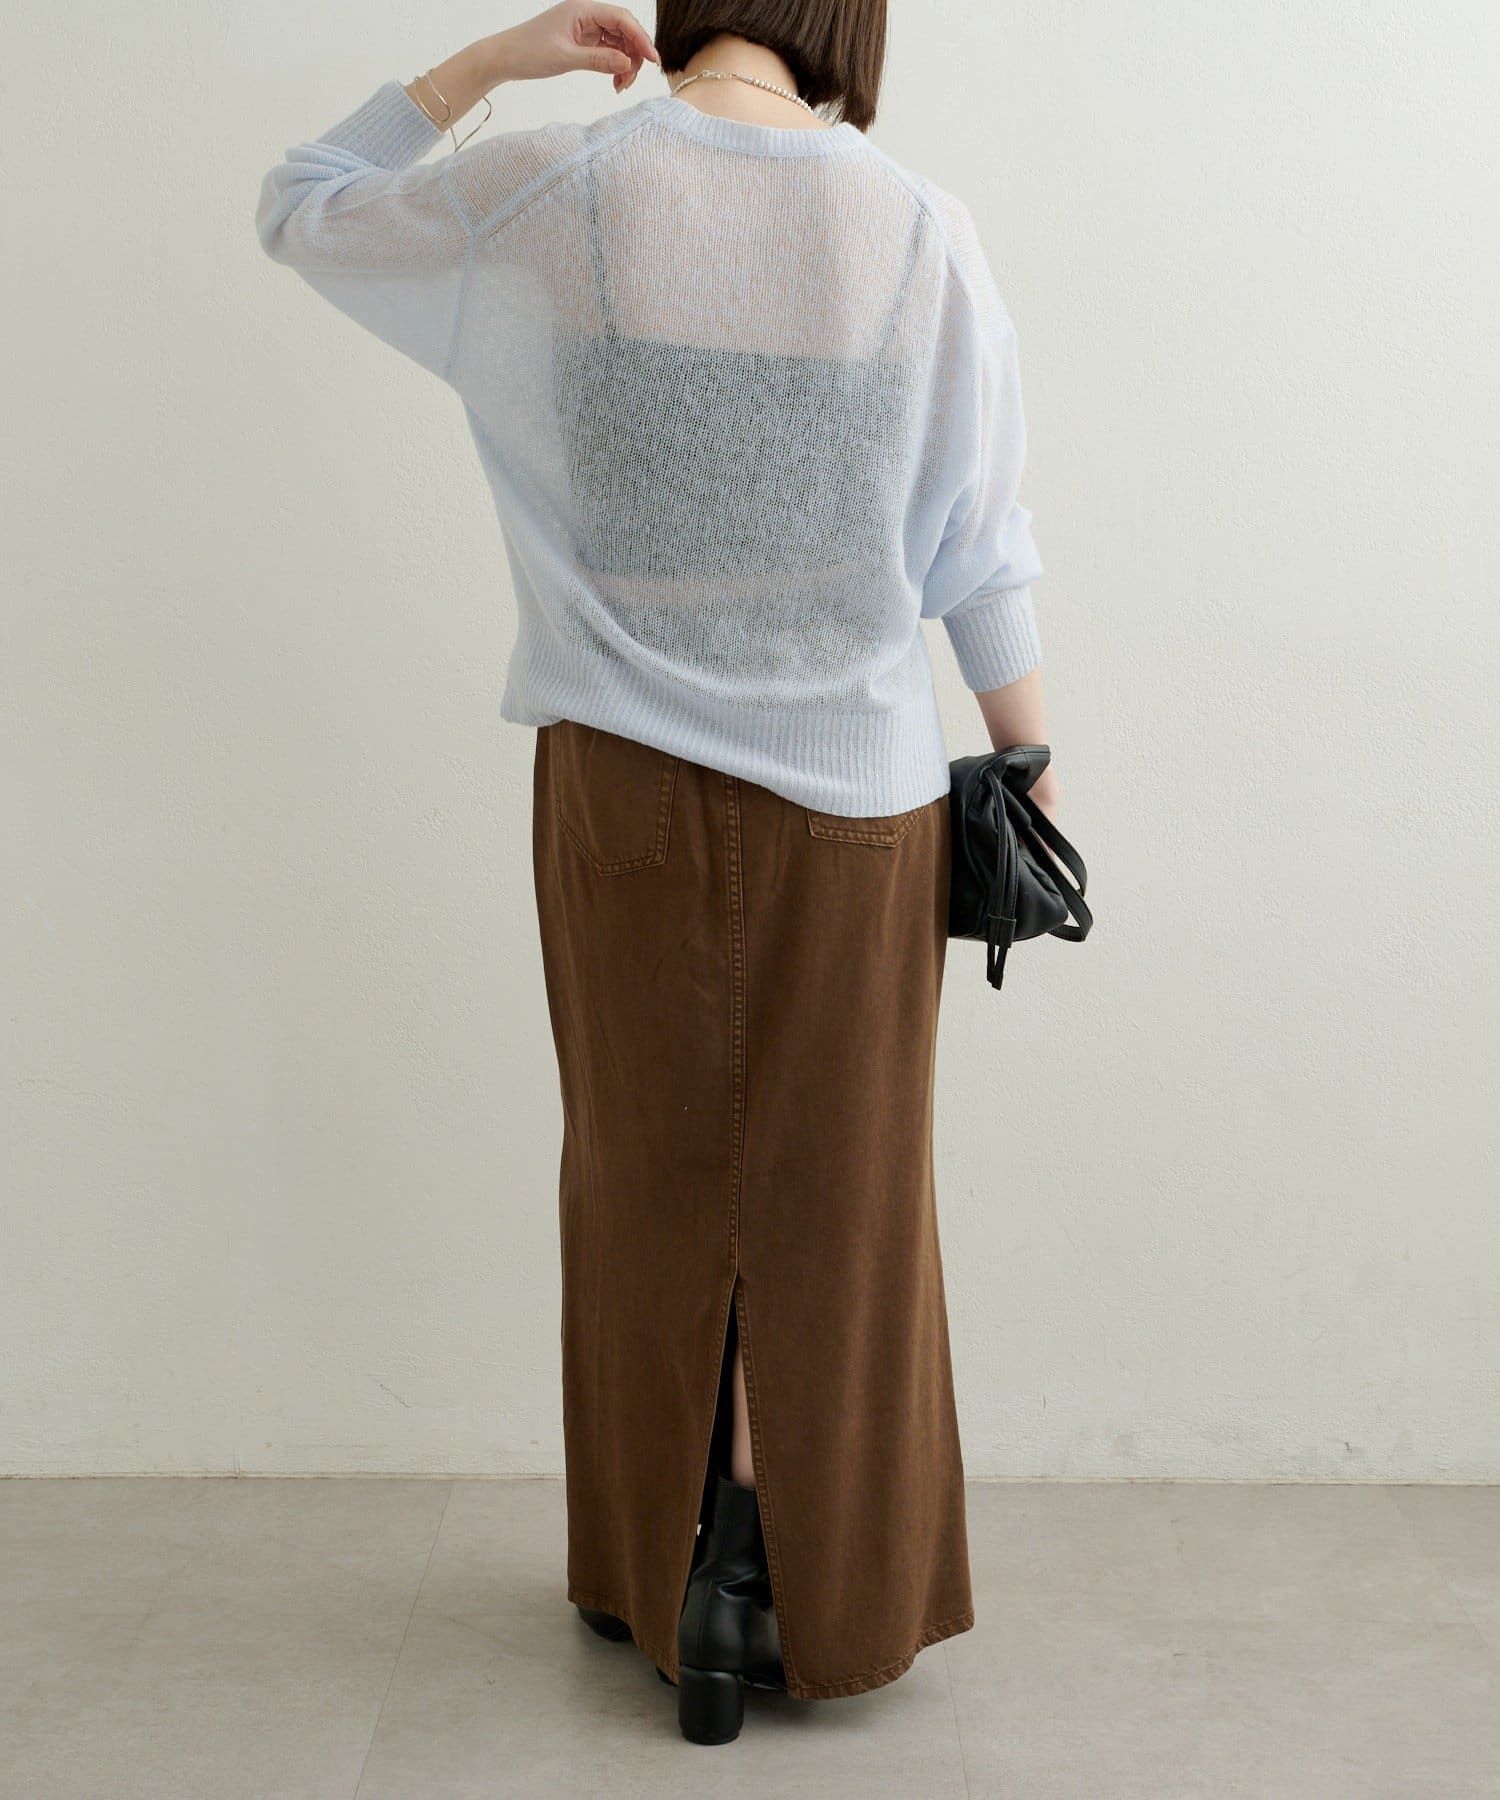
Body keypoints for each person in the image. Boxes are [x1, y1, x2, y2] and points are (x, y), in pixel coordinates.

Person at [256, 0, 1059, 1746]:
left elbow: (302, 202)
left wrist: (488, 68)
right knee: (838, 1201)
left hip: (618, 788)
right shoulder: (917, 229)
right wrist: (1034, 759)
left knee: (645, 1176)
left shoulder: (559, 191)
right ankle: (774, 1564)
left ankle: (671, 1565)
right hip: (856, 806)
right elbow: (976, 548)